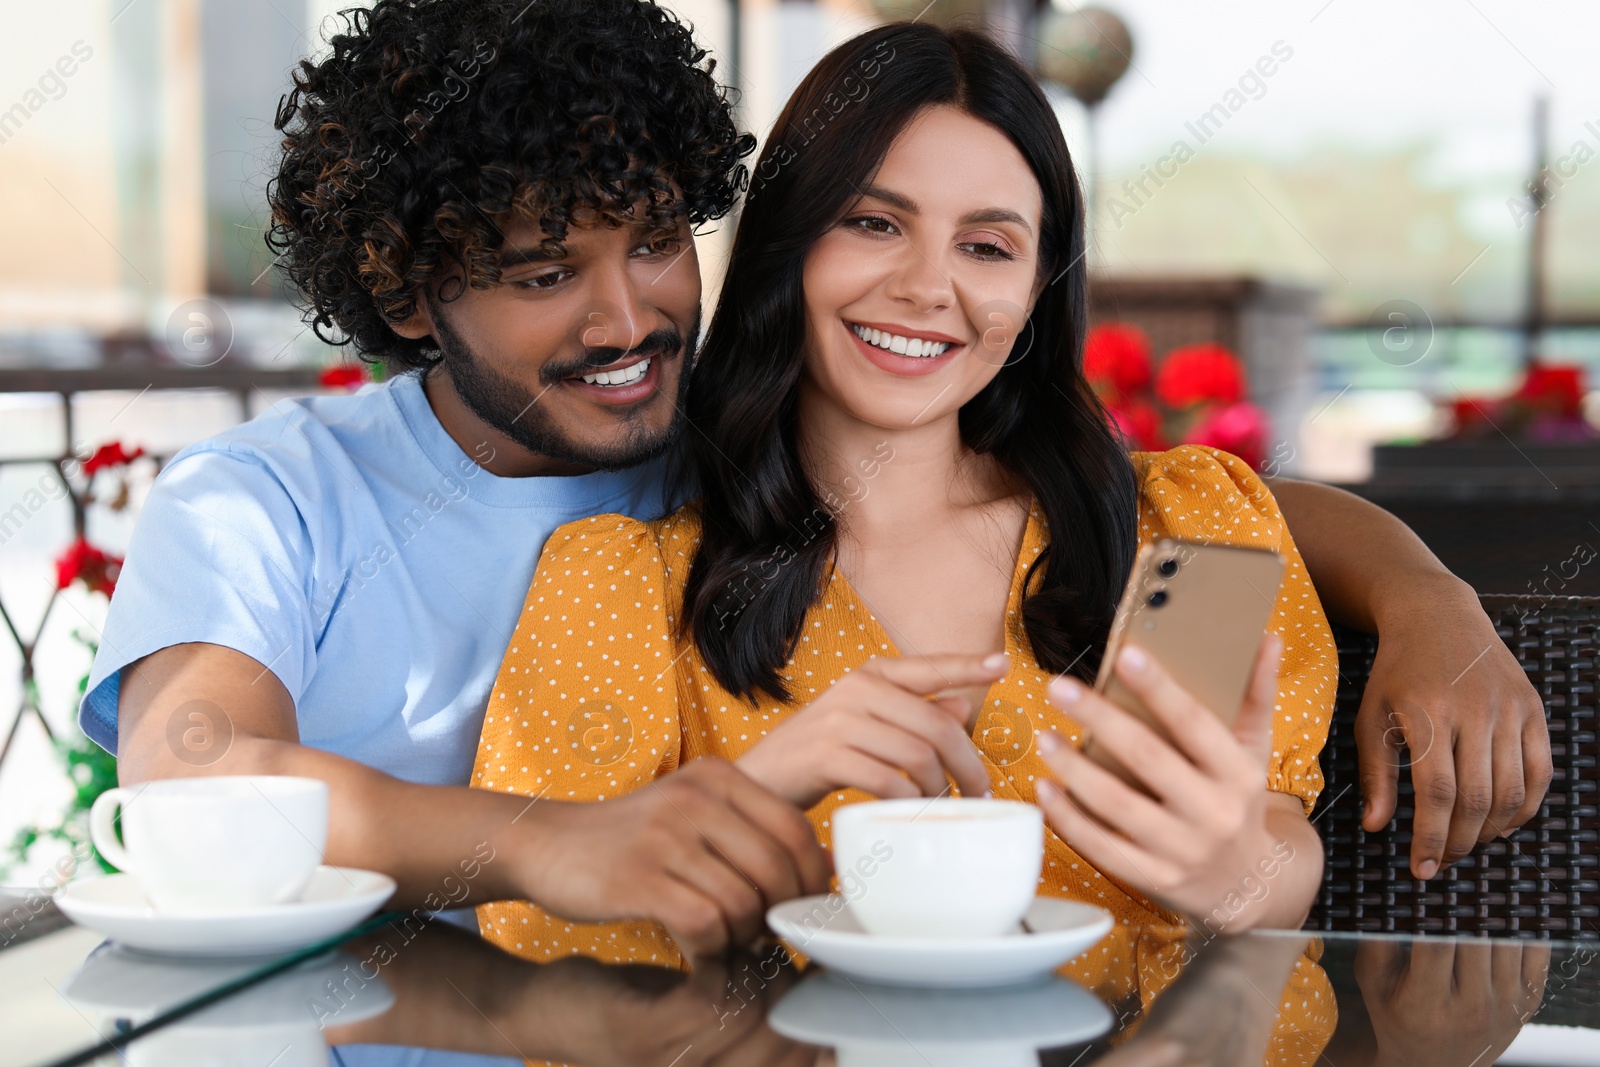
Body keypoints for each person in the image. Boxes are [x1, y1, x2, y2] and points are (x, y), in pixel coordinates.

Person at [84, 0, 1543, 956]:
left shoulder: (1182, 529)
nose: (625, 321)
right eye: (873, 221)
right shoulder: (605, 556)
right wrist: (637, 827)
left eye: (990, 245)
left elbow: (1263, 843)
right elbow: (208, 778)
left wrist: (1424, 605)